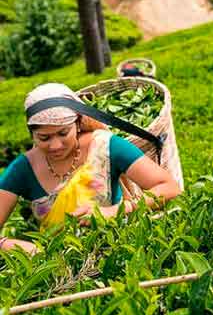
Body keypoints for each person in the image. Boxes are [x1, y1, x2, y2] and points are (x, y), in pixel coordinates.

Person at [0, 83, 182, 254]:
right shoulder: (23, 168)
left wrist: (115, 211)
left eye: (63, 133)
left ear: (78, 123)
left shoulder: (105, 147)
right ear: (31, 134)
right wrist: (15, 246)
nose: (55, 145)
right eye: (44, 138)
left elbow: (169, 187)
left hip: (116, 249)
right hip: (55, 263)